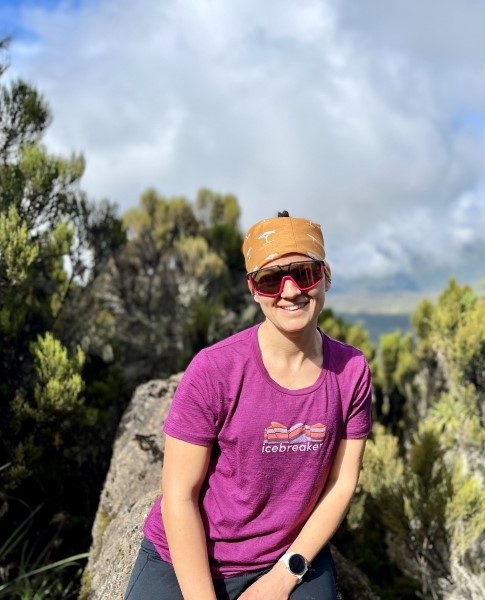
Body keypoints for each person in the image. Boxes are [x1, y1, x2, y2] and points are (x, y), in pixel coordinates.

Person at [124, 212, 372, 600]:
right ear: (254, 289)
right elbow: (179, 495)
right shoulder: (215, 370)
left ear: (325, 276)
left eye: (303, 273)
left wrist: (284, 575)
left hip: (285, 557)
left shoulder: (351, 371)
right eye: (271, 279)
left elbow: (342, 483)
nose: (289, 291)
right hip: (187, 558)